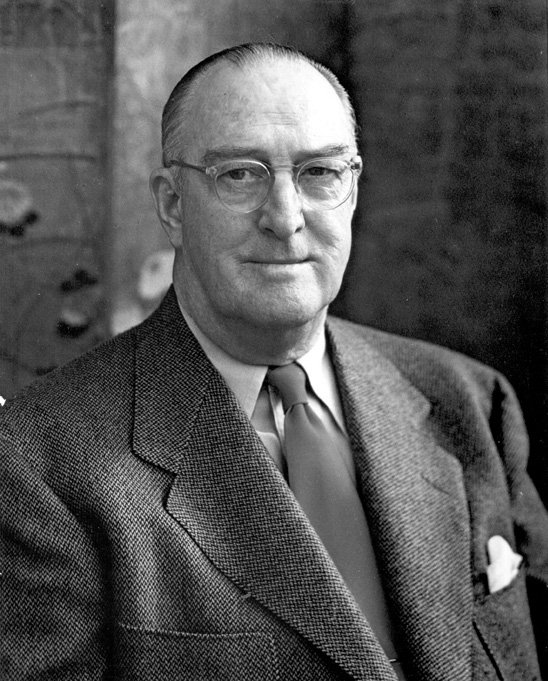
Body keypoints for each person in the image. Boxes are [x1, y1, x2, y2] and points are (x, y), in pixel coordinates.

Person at [1, 42, 547, 681]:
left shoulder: (470, 401)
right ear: (173, 205)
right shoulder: (37, 463)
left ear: (352, 190)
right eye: (240, 174)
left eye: (320, 173)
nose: (286, 219)